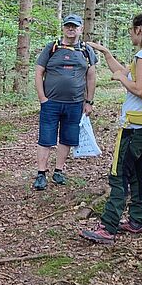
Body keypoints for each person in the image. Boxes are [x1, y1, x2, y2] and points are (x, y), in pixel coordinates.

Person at [80, 13, 142, 244]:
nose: (130, 33)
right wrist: (106, 54)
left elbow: (139, 89)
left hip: (134, 127)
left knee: (119, 174)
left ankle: (107, 227)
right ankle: (137, 219)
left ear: (139, 30)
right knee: (138, 173)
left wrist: (120, 78)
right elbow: (127, 72)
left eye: (132, 29)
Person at [33, 14, 98, 190]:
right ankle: (41, 173)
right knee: (46, 138)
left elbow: (91, 77)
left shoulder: (86, 50)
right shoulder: (52, 47)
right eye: (68, 26)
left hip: (75, 103)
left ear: (80, 29)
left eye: (74, 26)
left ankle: (59, 171)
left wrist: (89, 101)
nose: (71, 29)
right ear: (63, 28)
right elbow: (38, 72)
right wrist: (42, 98)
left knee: (67, 138)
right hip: (51, 102)